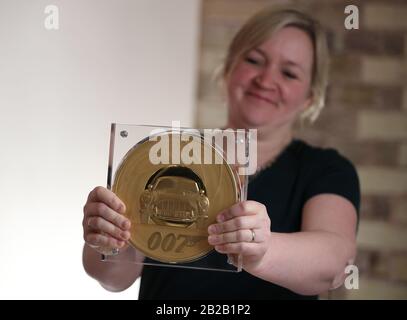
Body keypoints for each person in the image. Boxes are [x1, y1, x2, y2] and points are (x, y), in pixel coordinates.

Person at [82, 5, 360, 299]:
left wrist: (261, 252)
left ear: (310, 97)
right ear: (228, 68)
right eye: (254, 60)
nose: (265, 81)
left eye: (289, 73)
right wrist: (109, 238)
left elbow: (336, 264)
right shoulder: (166, 155)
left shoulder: (326, 169)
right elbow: (113, 278)